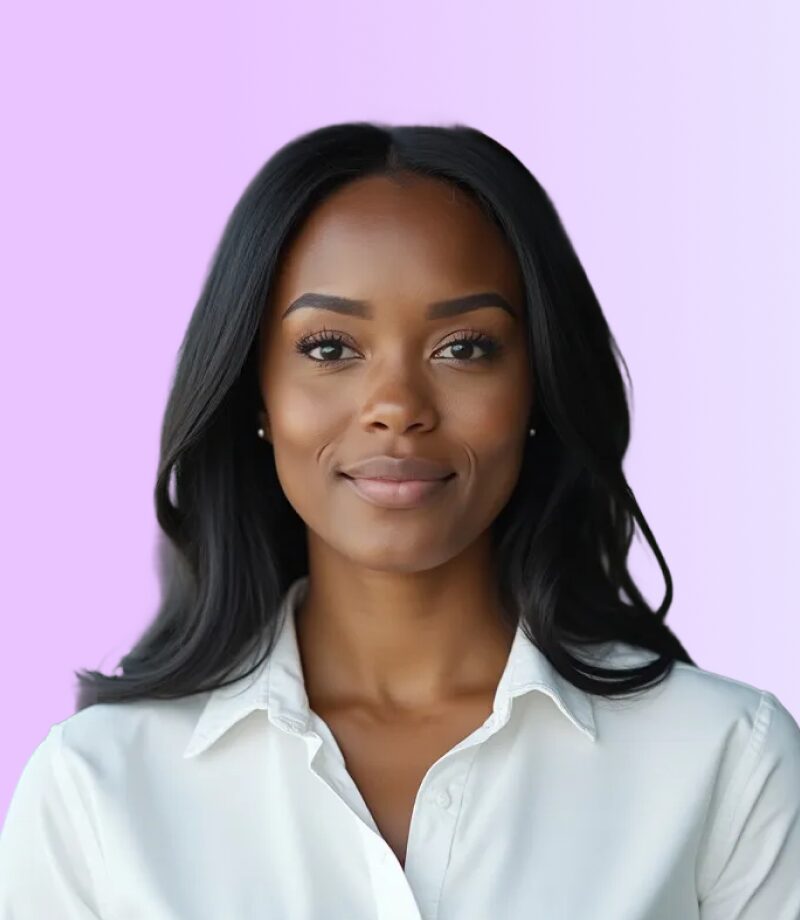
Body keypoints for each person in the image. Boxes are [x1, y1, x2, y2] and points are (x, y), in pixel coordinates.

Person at [1, 122, 798, 919]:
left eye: (464, 348)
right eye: (328, 348)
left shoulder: (724, 760)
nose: (397, 409)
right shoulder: (95, 791)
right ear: (257, 396)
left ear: (536, 389)